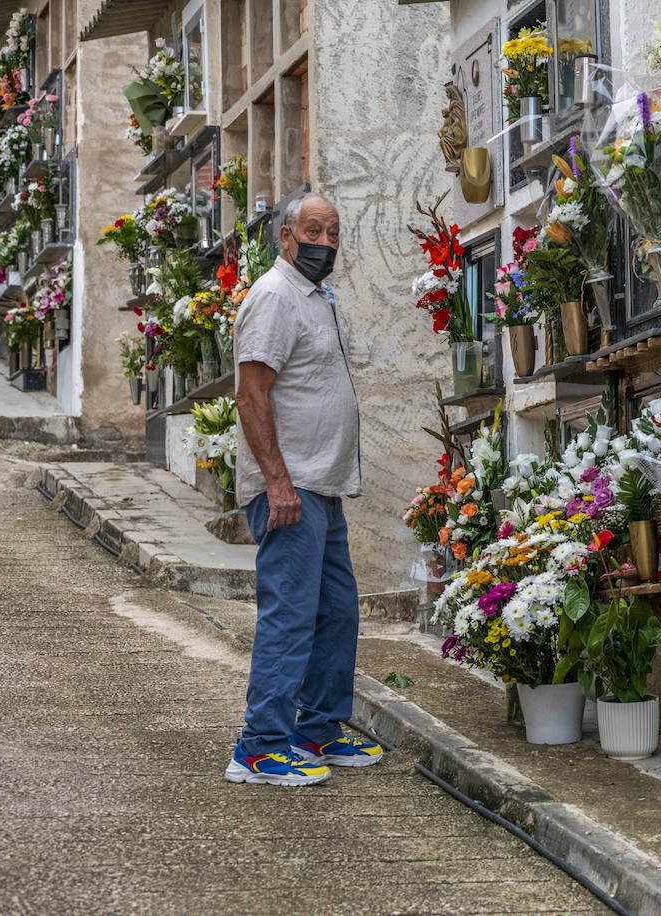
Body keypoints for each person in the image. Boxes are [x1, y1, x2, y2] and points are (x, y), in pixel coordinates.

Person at [223, 193, 382, 786]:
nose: (327, 241)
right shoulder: (273, 296)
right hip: (289, 489)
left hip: (322, 486)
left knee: (336, 613)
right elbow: (250, 395)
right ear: (286, 237)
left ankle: (314, 733)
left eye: (335, 231)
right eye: (314, 230)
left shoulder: (317, 298)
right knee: (290, 617)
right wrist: (277, 481)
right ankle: (259, 747)